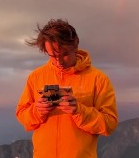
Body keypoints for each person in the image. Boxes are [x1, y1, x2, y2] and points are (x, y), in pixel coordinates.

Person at [16, 19, 118, 158]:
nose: (59, 62)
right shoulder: (36, 77)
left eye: (64, 54)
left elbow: (109, 125)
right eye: (52, 56)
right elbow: (22, 115)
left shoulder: (98, 79)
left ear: (75, 46)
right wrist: (37, 110)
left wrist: (78, 110)